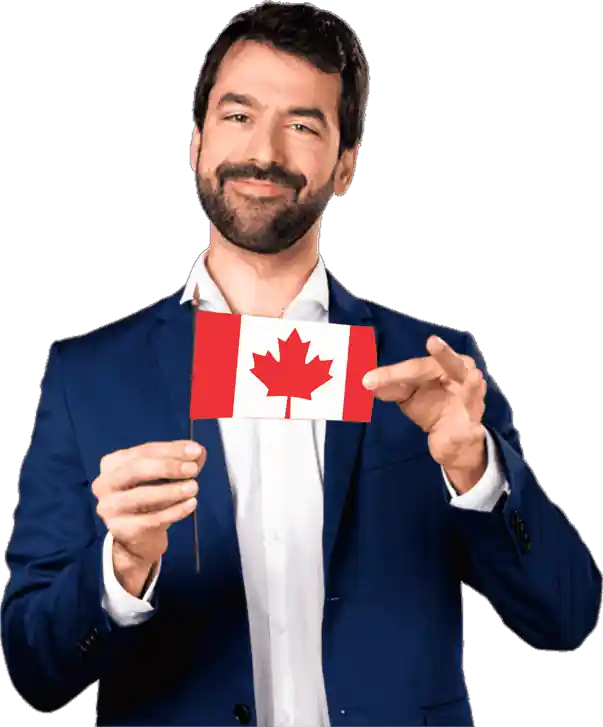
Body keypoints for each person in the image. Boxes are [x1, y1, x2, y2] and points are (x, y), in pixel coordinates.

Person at [2, 2, 600, 726]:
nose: (265, 150)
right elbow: (35, 669)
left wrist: (475, 471)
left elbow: (565, 614)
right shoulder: (88, 378)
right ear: (194, 143)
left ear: (344, 165)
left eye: (303, 124)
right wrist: (120, 566)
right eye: (237, 115)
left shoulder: (430, 370)